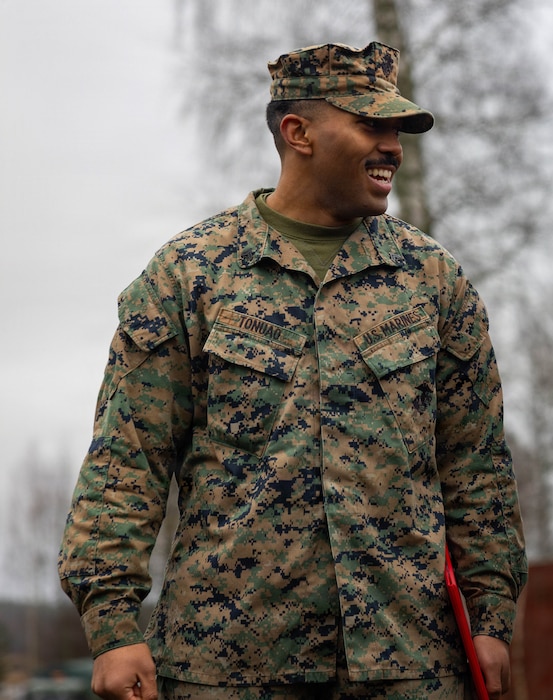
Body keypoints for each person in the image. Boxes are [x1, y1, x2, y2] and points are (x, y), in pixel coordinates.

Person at [58, 41, 527, 700]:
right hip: (230, 664)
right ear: (298, 132)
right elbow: (128, 458)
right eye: (371, 124)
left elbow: (475, 465)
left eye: (397, 130)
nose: (392, 147)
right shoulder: (189, 274)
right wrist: (112, 626)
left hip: (408, 661)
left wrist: (491, 618)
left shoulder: (432, 279)